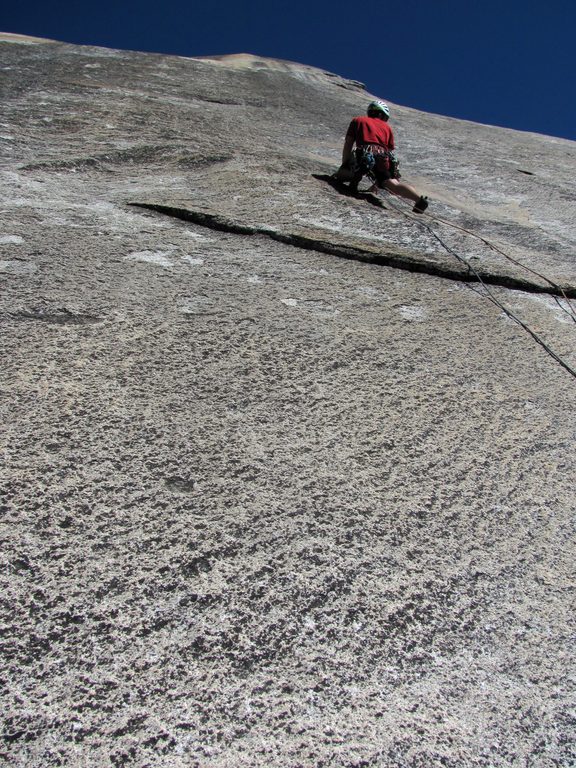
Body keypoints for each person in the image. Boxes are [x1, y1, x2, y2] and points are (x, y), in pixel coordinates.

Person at [335, 100, 429, 213]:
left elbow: (348, 143)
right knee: (392, 184)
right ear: (380, 114)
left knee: (341, 176)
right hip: (384, 157)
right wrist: (377, 183)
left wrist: (344, 165)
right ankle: (418, 199)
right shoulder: (387, 128)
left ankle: (353, 183)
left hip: (365, 153)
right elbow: (387, 151)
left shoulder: (358, 120)